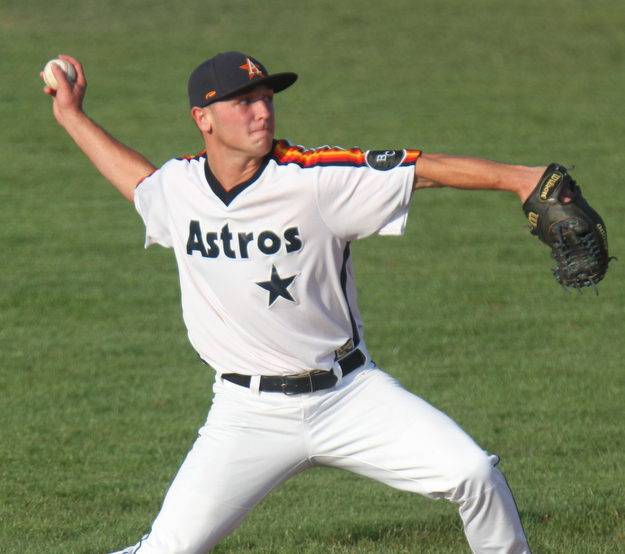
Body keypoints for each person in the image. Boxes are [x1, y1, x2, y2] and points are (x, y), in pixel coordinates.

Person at [43, 51, 544, 554]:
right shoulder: (180, 187)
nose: (263, 111)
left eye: (266, 98)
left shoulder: (314, 178)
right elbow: (138, 183)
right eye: (243, 103)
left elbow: (422, 170)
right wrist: (71, 115)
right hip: (246, 414)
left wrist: (522, 179)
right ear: (204, 119)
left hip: (350, 396)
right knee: (166, 549)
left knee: (474, 474)